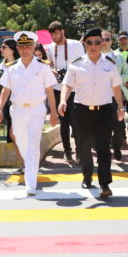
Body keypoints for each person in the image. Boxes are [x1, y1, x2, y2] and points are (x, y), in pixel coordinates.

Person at [59, 28, 125, 199]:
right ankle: (87, 176)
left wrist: (120, 107)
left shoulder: (109, 64)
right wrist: (63, 100)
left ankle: (104, 183)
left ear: (102, 43)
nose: (94, 46)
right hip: (82, 112)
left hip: (104, 111)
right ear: (84, 44)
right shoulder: (76, 64)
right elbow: (67, 85)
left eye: (98, 42)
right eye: (90, 43)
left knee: (103, 148)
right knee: (84, 148)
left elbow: (116, 87)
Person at [0, 32, 59, 195]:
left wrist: (53, 113)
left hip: (37, 109)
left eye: (28, 47)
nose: (25, 50)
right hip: (17, 110)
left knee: (33, 143)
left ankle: (30, 182)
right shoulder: (11, 68)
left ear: (33, 47)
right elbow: (5, 90)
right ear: (18, 48)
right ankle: (30, 164)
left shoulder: (43, 66)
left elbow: (50, 91)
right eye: (22, 47)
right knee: (21, 139)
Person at [46, 20, 85, 162]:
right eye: (52, 35)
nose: (54, 38)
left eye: (56, 34)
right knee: (63, 122)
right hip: (58, 88)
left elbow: (82, 63)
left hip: (74, 89)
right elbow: (48, 64)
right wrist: (53, 71)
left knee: (76, 122)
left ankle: (79, 151)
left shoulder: (76, 45)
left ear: (63, 31)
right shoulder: (50, 48)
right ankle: (67, 151)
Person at [0, 36, 25, 175]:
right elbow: (2, 85)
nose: (1, 49)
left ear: (12, 50)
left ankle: (27, 162)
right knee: (12, 135)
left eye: (4, 47)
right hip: (7, 103)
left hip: (19, 102)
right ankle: (25, 163)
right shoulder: (2, 64)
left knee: (15, 133)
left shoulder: (20, 64)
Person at [101, 29, 128, 161]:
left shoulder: (119, 57)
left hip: (116, 97)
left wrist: (116, 79)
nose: (104, 42)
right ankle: (103, 152)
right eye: (101, 39)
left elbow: (127, 73)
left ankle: (117, 145)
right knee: (101, 128)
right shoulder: (93, 56)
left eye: (107, 39)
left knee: (119, 128)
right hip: (99, 98)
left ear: (111, 41)